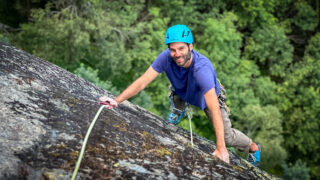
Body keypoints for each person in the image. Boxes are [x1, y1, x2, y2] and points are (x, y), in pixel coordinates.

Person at [99, 24, 261, 165]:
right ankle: (178, 109)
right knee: (178, 87)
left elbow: (215, 109)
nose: (177, 54)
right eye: (173, 49)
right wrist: (116, 101)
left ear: (191, 46)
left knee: (227, 138)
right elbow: (142, 82)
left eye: (181, 48)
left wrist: (221, 148)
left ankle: (253, 147)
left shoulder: (201, 70)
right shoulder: (166, 58)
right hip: (183, 89)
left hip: (206, 97)